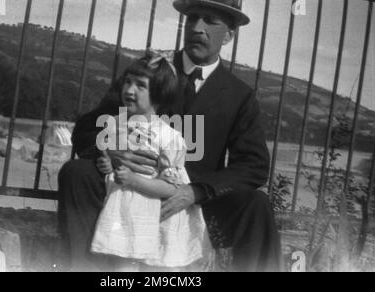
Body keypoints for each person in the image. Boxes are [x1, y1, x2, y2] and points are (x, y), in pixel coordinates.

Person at [58, 0, 282, 272]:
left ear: (229, 35)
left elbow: (253, 165)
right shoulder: (149, 71)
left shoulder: (239, 95)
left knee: (256, 204)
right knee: (77, 172)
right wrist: (109, 151)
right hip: (131, 188)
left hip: (199, 201)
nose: (198, 28)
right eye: (193, 18)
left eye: (210, 21)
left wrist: (197, 191)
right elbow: (88, 129)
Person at [90, 52, 212, 272]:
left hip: (156, 215)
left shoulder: (169, 138)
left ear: (158, 95)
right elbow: (107, 155)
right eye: (127, 82)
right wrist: (107, 163)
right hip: (122, 212)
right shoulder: (116, 124)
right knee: (121, 267)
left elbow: (171, 187)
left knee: (158, 270)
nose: (129, 90)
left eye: (140, 86)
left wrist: (134, 180)